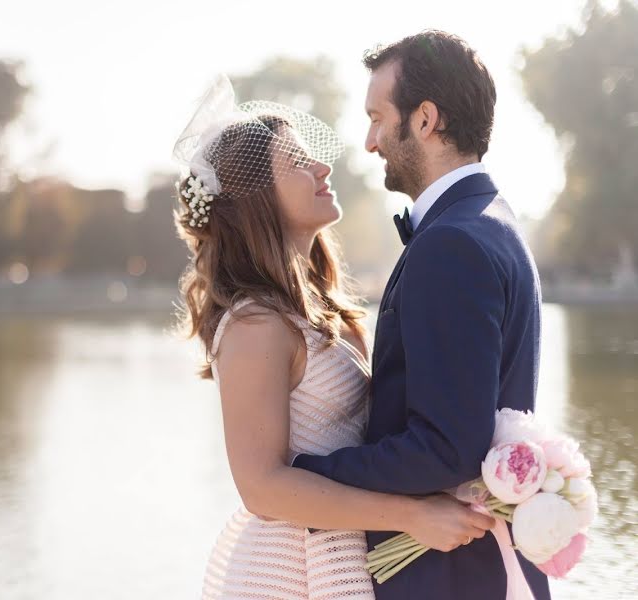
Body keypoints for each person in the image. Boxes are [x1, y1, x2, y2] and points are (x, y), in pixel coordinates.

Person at [173, 74, 494, 600]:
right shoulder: (257, 324)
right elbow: (261, 486)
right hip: (284, 570)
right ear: (259, 200)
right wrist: (413, 515)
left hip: (336, 553)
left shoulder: (320, 310)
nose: (322, 167)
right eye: (297, 164)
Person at [290, 31, 551, 600]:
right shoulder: (494, 223)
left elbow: (447, 447)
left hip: (451, 577)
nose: (369, 141)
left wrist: (307, 477)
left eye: (378, 118)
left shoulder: (451, 243)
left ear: (426, 119)